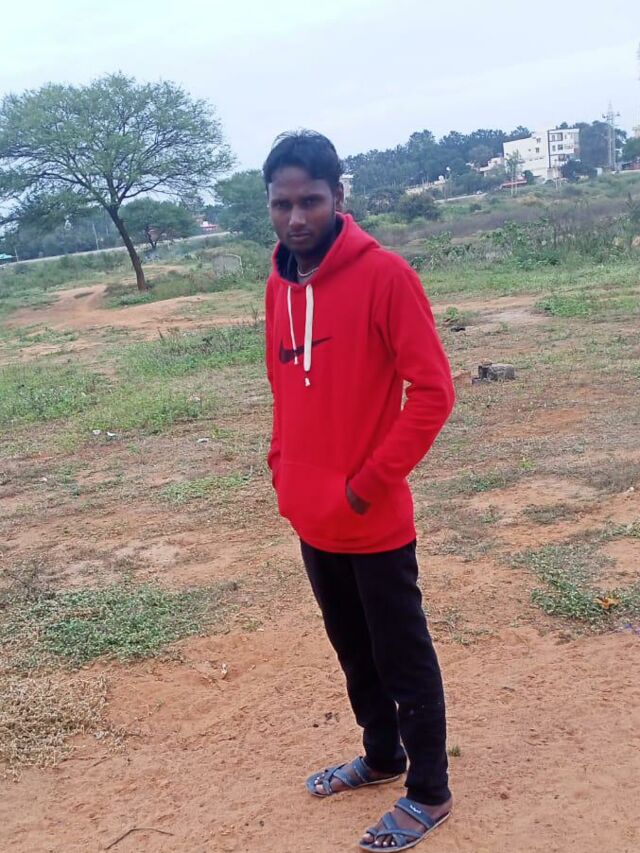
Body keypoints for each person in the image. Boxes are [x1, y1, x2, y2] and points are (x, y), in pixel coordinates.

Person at [263, 130, 455, 851]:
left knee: (402, 656)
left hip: (371, 517)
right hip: (311, 515)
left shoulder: (386, 276)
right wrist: (282, 466)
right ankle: (381, 756)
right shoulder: (278, 284)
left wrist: (368, 484)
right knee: (352, 648)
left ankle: (429, 790)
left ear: (338, 197)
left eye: (310, 200)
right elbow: (283, 383)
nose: (296, 218)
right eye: (281, 203)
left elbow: (433, 393)